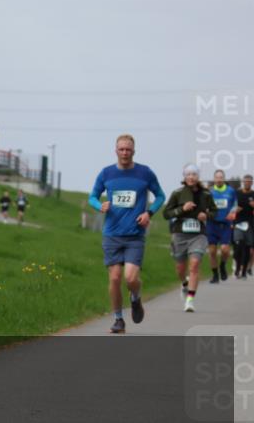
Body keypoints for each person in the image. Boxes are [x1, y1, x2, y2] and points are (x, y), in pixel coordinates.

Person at [88, 134, 166, 334]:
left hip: (135, 235)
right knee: (115, 279)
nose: (124, 153)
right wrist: (99, 205)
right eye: (121, 149)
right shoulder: (106, 173)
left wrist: (149, 213)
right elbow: (92, 197)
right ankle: (118, 319)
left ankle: (135, 297)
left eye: (128, 149)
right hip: (112, 234)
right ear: (116, 151)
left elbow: (160, 196)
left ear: (134, 151)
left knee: (130, 278)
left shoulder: (145, 173)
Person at [163, 164, 216, 312]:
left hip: (199, 235)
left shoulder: (206, 194)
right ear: (184, 177)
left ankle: (190, 300)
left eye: (194, 174)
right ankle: (184, 284)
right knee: (180, 269)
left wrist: (206, 215)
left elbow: (214, 212)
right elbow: (166, 214)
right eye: (188, 174)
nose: (191, 177)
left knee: (194, 265)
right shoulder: (177, 193)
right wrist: (182, 209)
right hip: (180, 234)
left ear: (198, 177)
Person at [206, 169, 237, 283]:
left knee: (225, 249)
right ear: (214, 179)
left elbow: (235, 204)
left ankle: (223, 265)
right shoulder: (209, 192)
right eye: (217, 177)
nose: (219, 179)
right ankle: (215, 275)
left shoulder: (231, 191)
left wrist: (232, 213)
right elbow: (204, 205)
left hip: (225, 224)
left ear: (224, 179)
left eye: (221, 177)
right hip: (212, 224)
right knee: (212, 251)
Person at [233, 174, 253, 278]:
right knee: (238, 247)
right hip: (238, 223)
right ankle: (237, 268)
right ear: (243, 182)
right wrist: (235, 210)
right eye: (246, 181)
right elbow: (231, 207)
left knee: (247, 248)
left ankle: (244, 271)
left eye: (249, 181)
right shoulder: (237, 193)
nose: (247, 183)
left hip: (250, 224)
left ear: (252, 183)